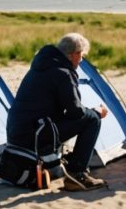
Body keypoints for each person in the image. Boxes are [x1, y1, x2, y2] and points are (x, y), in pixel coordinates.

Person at [6, 33, 108, 191]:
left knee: (72, 118)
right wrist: (96, 110)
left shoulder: (41, 64)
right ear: (74, 54)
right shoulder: (63, 72)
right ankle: (77, 174)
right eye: (81, 56)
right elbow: (76, 112)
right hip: (34, 135)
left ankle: (69, 162)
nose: (81, 60)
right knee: (92, 119)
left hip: (17, 133)